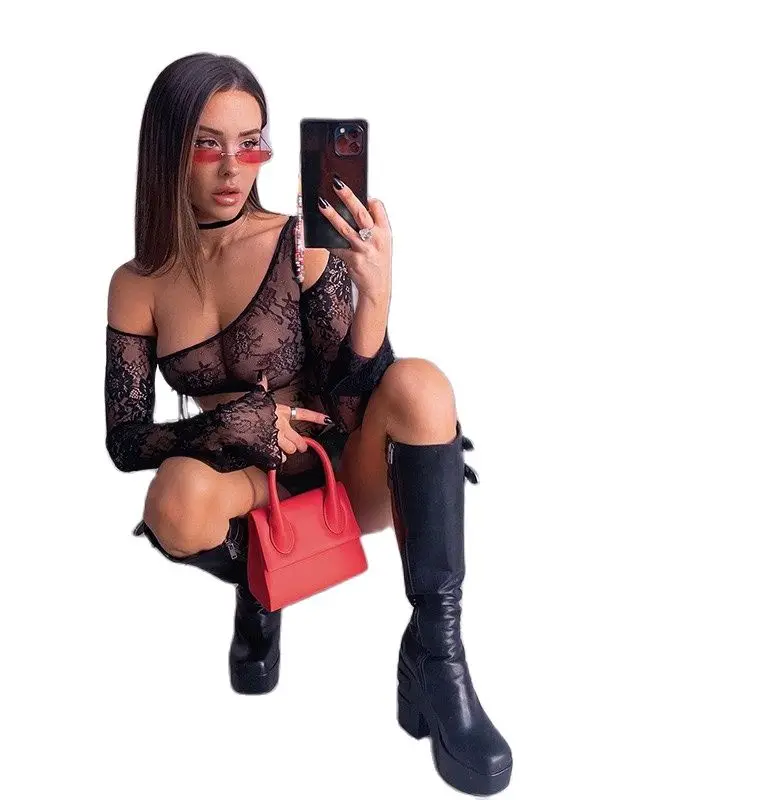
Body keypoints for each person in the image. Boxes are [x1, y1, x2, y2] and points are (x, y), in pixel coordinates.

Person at [103, 52, 512, 795]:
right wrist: (237, 426)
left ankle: (438, 657)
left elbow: (352, 407)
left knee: (422, 384)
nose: (234, 167)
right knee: (173, 502)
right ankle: (262, 591)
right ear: (167, 149)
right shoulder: (138, 284)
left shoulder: (300, 245)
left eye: (251, 142)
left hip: (337, 477)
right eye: (208, 144)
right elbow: (126, 440)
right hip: (244, 487)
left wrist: (375, 298)